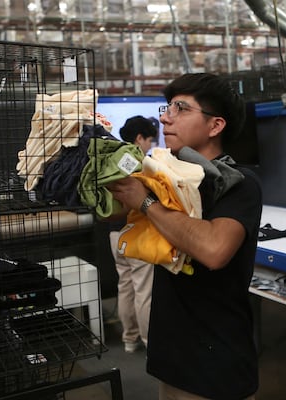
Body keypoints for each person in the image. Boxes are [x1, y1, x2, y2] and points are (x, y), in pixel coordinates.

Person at [107, 73, 262, 399]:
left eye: (181, 109)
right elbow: (110, 210)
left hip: (214, 365)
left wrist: (146, 202)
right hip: (172, 359)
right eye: (168, 107)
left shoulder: (240, 184)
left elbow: (214, 249)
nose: (165, 117)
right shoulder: (166, 177)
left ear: (215, 125)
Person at [109, 115, 159, 353]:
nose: (151, 146)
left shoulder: (112, 159)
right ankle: (150, 343)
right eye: (150, 140)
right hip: (135, 233)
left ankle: (130, 340)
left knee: (125, 285)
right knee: (144, 290)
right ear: (139, 138)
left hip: (113, 234)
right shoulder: (139, 162)